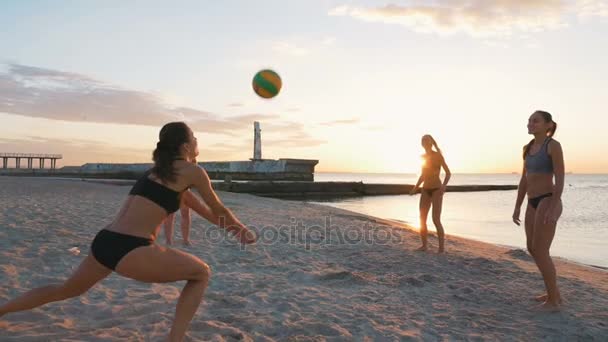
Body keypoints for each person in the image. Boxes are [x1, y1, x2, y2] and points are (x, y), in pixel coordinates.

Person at [0, 122, 256, 341]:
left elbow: (210, 215)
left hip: (105, 241)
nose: (198, 141)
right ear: (185, 147)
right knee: (201, 273)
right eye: (194, 138)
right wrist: (243, 230)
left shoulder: (157, 173)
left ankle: (2, 311)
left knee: (65, 289)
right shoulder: (193, 172)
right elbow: (220, 209)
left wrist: (234, 232)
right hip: (131, 247)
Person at [512, 110, 564, 311]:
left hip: (548, 200)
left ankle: (553, 302)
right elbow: (524, 180)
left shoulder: (553, 146)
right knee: (533, 249)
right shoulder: (527, 148)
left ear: (548, 125)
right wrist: (517, 205)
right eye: (529, 120)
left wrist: (553, 205)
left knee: (541, 251)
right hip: (531, 201)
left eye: (535, 121)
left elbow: (560, 177)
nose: (530, 123)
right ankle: (554, 293)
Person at [409, 134, 451, 253]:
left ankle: (441, 249)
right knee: (422, 219)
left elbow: (448, 173)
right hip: (425, 190)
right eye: (423, 141)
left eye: (427, 140)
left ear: (431, 143)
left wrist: (444, 186)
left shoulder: (438, 156)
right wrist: (415, 188)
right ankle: (424, 246)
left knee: (436, 220)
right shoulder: (423, 157)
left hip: (437, 189)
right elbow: (423, 175)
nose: (425, 142)